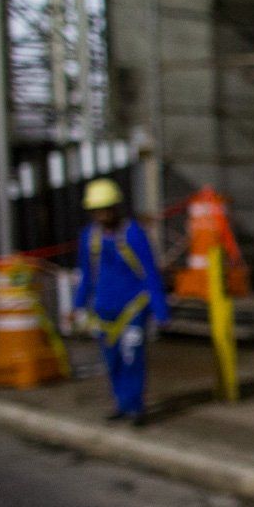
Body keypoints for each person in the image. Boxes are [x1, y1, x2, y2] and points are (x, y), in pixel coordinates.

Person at [72, 178, 169, 426]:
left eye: (106, 209)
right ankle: (121, 403)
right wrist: (78, 306)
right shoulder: (89, 238)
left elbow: (150, 273)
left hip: (133, 309)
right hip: (104, 310)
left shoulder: (134, 234)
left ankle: (136, 406)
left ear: (115, 207)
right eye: (97, 210)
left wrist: (160, 310)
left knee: (132, 358)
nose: (102, 215)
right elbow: (86, 274)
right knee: (112, 359)